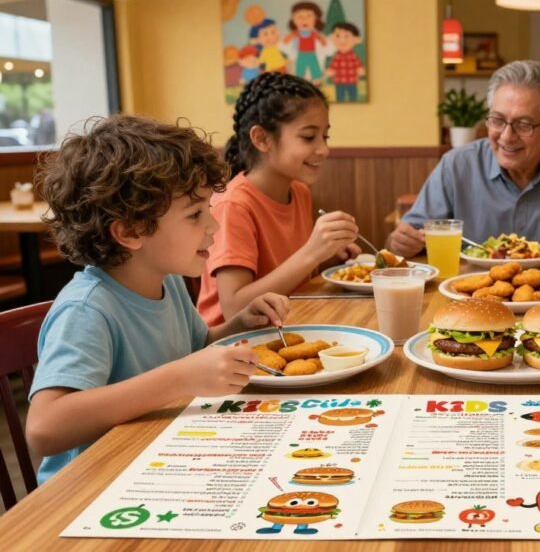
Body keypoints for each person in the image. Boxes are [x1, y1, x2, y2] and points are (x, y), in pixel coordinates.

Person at [26, 115, 289, 483]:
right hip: (92, 489)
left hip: (157, 463)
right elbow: (44, 428)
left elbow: (195, 347)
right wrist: (178, 380)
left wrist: (240, 323)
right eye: (195, 214)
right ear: (130, 231)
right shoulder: (87, 310)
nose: (213, 225)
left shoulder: (169, 281)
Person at [388, 60, 540, 257]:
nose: (507, 136)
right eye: (497, 120)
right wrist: (399, 243)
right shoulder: (457, 165)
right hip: (471, 292)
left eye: (524, 124)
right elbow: (402, 239)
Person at [197, 72, 361, 325]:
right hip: (236, 341)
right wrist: (312, 253)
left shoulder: (299, 192)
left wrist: (327, 254)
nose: (324, 149)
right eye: (309, 137)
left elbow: (289, 275)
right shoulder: (234, 204)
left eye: (325, 136)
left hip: (288, 324)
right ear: (262, 139)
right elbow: (234, 308)